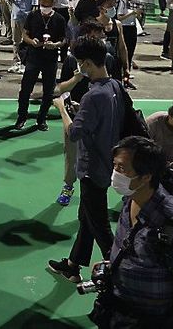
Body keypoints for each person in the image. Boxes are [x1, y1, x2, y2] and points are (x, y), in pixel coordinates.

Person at [47, 37, 123, 284]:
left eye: (81, 64)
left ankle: (121, 272)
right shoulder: (114, 87)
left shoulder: (94, 95)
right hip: (106, 162)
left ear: (88, 63)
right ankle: (72, 265)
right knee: (87, 218)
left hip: (91, 167)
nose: (79, 68)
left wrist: (62, 108)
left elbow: (74, 133)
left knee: (99, 225)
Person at [104, 136, 173, 329]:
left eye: (122, 168)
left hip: (151, 320)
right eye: (114, 165)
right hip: (117, 310)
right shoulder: (130, 199)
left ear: (146, 176)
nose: (115, 173)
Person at [16, 0, 66, 131]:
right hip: (33, 56)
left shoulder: (59, 19)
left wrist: (54, 45)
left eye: (47, 5)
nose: (44, 7)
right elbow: (24, 34)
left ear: (53, 4)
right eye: (42, 4)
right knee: (25, 89)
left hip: (50, 59)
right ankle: (21, 117)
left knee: (48, 91)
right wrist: (32, 42)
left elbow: (64, 40)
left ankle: (42, 119)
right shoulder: (33, 15)